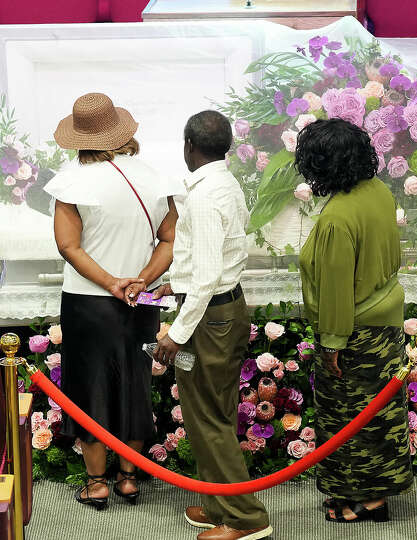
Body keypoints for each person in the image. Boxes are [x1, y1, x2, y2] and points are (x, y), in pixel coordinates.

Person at [45, 92, 178, 509]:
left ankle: (97, 482)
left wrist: (110, 282)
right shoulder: (154, 176)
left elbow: (68, 246)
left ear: (80, 137)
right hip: (141, 300)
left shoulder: (72, 181)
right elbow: (170, 240)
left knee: (91, 387)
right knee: (135, 385)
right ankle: (129, 478)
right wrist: (139, 281)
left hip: (88, 302)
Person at [153, 110, 272, 540]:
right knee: (214, 413)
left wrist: (175, 335)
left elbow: (205, 278)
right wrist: (175, 284)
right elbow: (214, 261)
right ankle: (218, 501)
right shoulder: (225, 182)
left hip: (208, 318)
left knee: (209, 418)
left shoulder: (203, 198)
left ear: (189, 145)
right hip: (222, 308)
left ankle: (245, 519)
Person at [295, 118, 412, 523]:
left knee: (349, 416)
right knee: (380, 415)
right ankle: (368, 494)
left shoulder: (337, 218)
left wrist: (331, 345)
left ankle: (366, 501)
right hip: (385, 321)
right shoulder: (377, 191)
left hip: (353, 331)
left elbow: (336, 290)